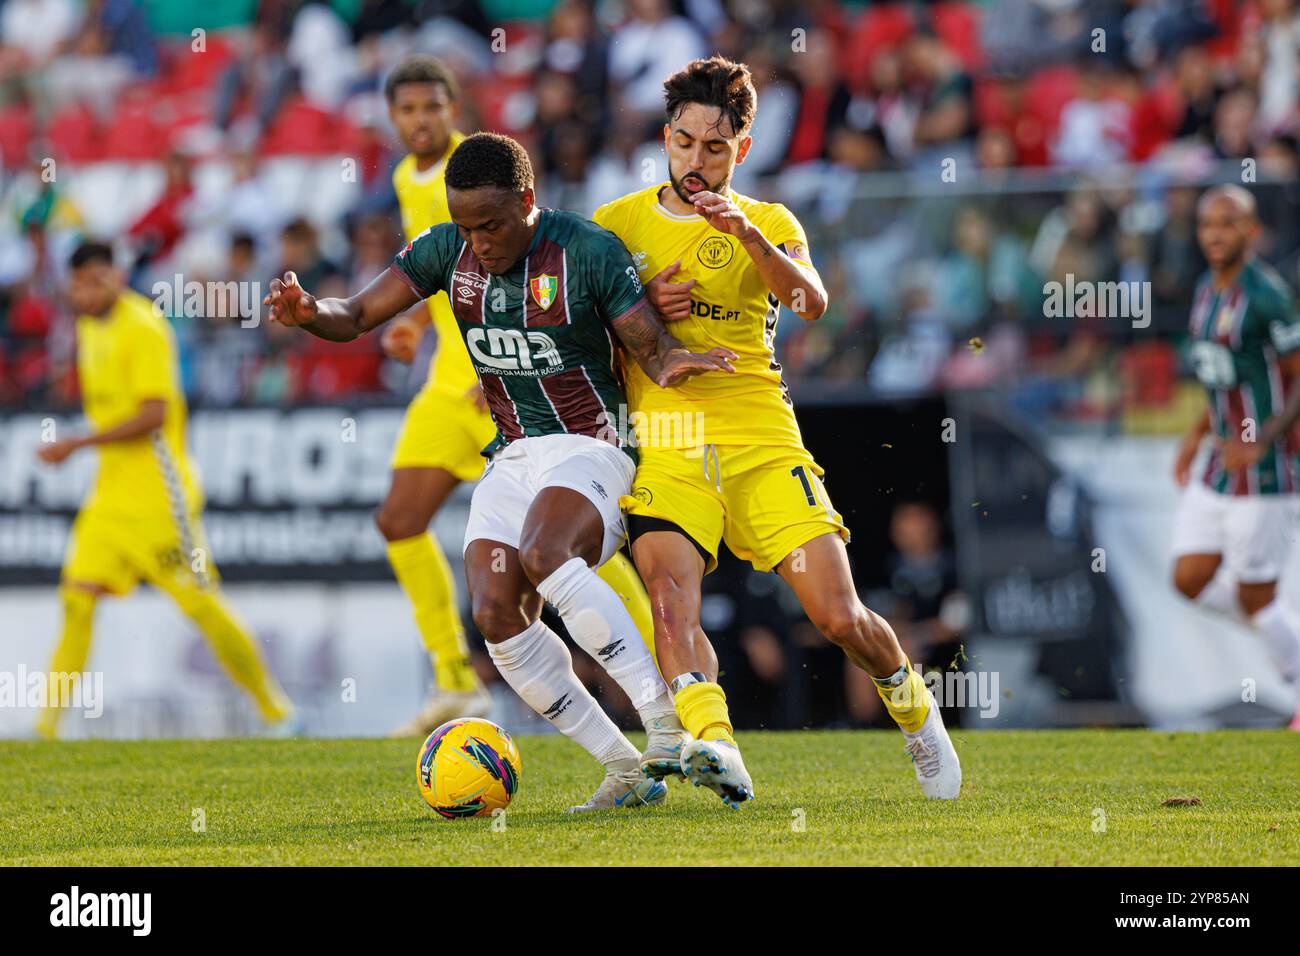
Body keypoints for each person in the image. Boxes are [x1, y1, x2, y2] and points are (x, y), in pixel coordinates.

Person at [264, 132, 737, 810]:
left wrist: (682, 363)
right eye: (467, 226)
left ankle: (663, 724)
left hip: (593, 444)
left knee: (546, 552)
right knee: (493, 612)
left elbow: (652, 349)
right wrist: (313, 314)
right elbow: (359, 314)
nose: (479, 241)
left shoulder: (586, 250)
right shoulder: (443, 250)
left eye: (491, 224)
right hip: (513, 453)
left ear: (528, 200)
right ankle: (625, 769)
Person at [593, 56, 962, 806]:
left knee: (837, 615)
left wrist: (747, 238)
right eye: (687, 142)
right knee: (669, 595)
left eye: (717, 148)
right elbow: (584, 336)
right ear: (666, 138)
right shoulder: (615, 225)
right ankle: (718, 743)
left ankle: (916, 715)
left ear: (744, 151)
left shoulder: (769, 221)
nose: (698, 160)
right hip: (666, 439)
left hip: (761, 437)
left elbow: (813, 300)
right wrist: (632, 313)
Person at [376, 56, 669, 738]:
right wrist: (414, 321)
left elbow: (506, 260)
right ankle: (454, 679)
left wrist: (508, 365)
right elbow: (439, 265)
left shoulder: (475, 171)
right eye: (406, 110)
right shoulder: (406, 179)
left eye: (431, 107)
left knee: (556, 550)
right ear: (391, 118)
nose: (420, 121)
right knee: (400, 523)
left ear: (454, 109)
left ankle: (660, 672)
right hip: (454, 387)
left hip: (511, 389)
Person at [35, 241, 295, 738]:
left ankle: (276, 710)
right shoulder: (88, 326)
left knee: (200, 604)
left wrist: (77, 443)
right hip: (108, 498)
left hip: (159, 496)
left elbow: (154, 413)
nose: (87, 292)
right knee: (76, 599)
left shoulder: (144, 326)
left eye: (96, 280)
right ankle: (46, 729)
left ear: (116, 276)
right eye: (78, 284)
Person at [1171, 185, 1300, 729]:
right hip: (1218, 463)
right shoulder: (1205, 289)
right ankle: (1279, 632)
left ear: (1251, 231)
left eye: (1228, 224)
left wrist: (1263, 440)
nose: (1216, 234)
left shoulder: (1267, 296)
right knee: (1188, 579)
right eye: (1208, 224)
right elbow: (1216, 376)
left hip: (1263, 470)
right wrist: (1196, 435)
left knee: (1255, 596)